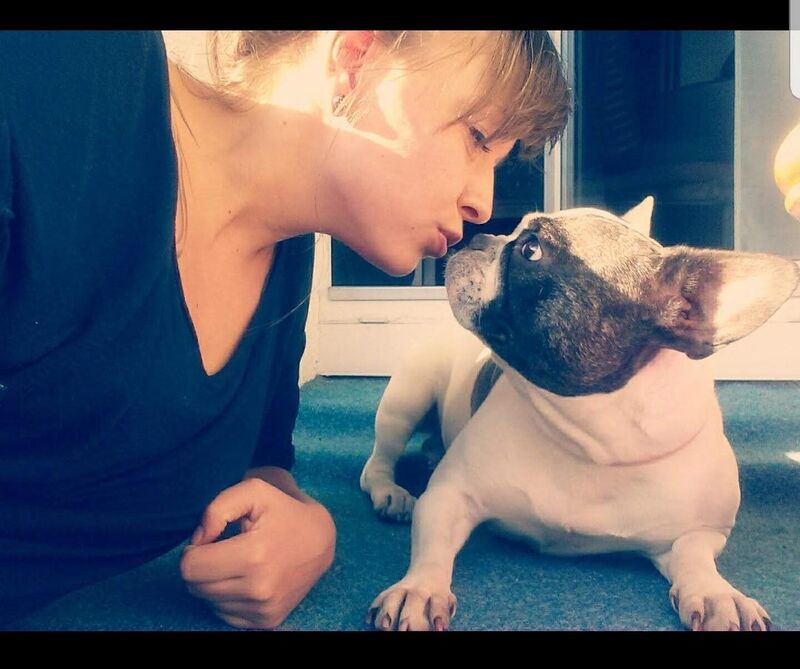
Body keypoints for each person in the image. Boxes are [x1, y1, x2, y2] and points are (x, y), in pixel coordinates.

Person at [0, 30, 571, 629]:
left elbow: (258, 463)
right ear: (355, 59)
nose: (484, 203)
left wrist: (310, 529)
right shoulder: (61, 68)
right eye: (478, 138)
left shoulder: (288, 257)